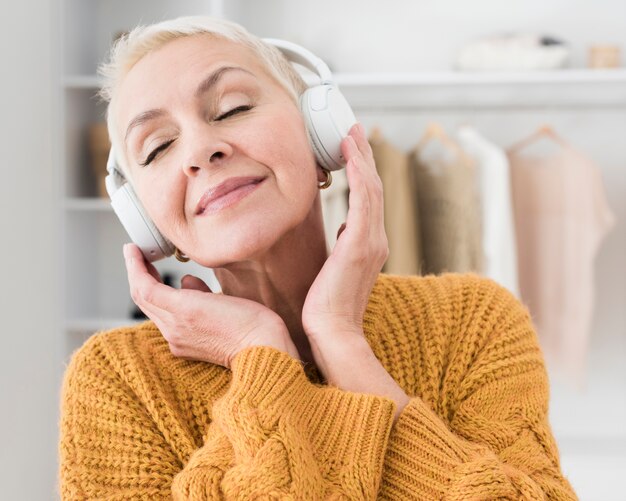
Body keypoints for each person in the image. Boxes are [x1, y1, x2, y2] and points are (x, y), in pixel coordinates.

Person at [58, 16, 577, 500]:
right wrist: (257, 353)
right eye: (157, 148)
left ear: (320, 134)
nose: (199, 150)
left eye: (233, 108)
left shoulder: (471, 320)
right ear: (145, 219)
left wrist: (341, 341)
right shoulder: (118, 380)